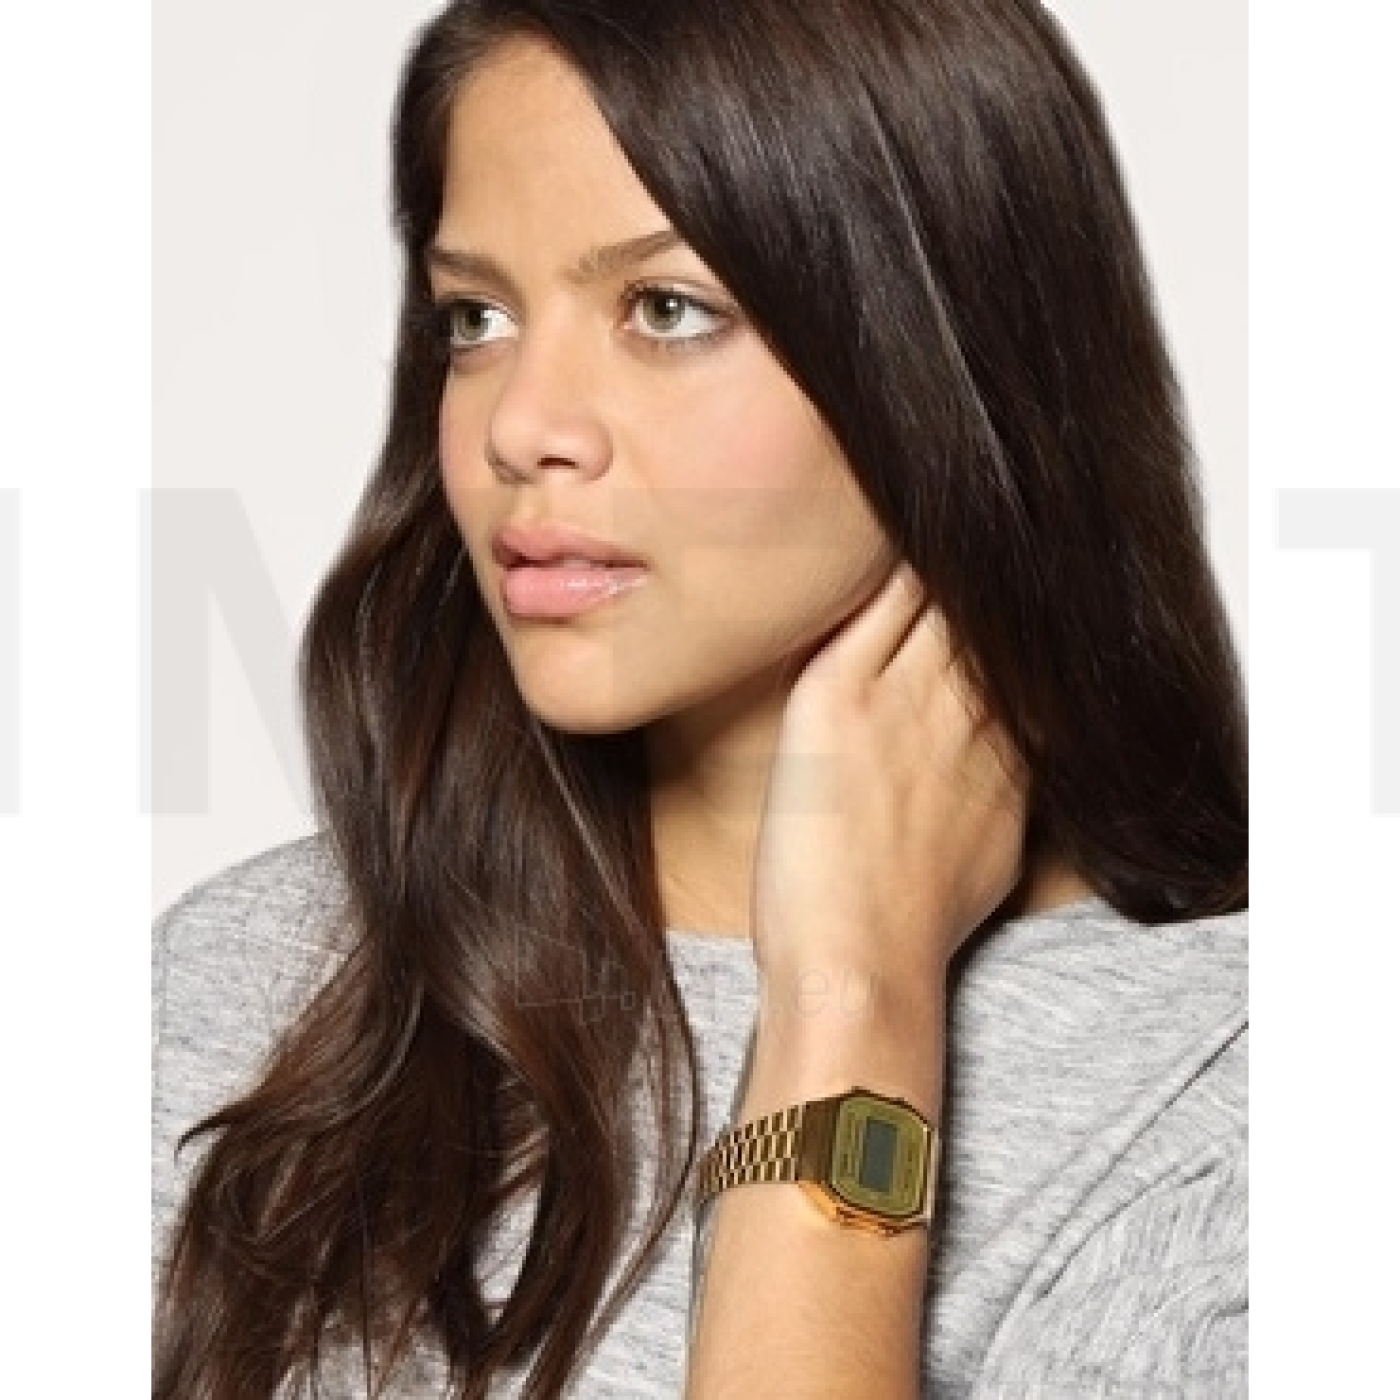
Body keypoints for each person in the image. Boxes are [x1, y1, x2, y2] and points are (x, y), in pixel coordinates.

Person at [152, 1, 1247, 1395]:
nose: (520, 426)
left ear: (953, 350)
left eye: (666, 310)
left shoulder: (1235, 1097)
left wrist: (854, 1006)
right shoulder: (257, 988)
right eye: (477, 318)